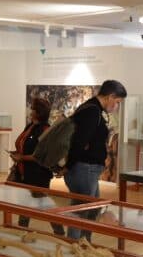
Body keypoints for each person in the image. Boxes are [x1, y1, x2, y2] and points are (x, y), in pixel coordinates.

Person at [64, 80, 127, 240]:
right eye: (117, 102)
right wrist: (69, 166)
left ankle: (84, 242)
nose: (117, 106)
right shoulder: (92, 111)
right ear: (110, 96)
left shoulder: (92, 108)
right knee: (81, 210)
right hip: (84, 169)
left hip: (87, 169)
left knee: (92, 209)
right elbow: (79, 142)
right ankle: (75, 244)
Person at [9, 97, 64, 235]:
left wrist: (21, 157)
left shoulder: (45, 129)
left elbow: (40, 156)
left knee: (46, 205)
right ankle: (23, 231)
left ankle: (60, 233)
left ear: (38, 112)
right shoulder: (30, 126)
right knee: (25, 204)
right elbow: (24, 145)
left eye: (32, 108)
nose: (30, 110)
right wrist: (18, 153)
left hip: (38, 175)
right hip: (25, 172)